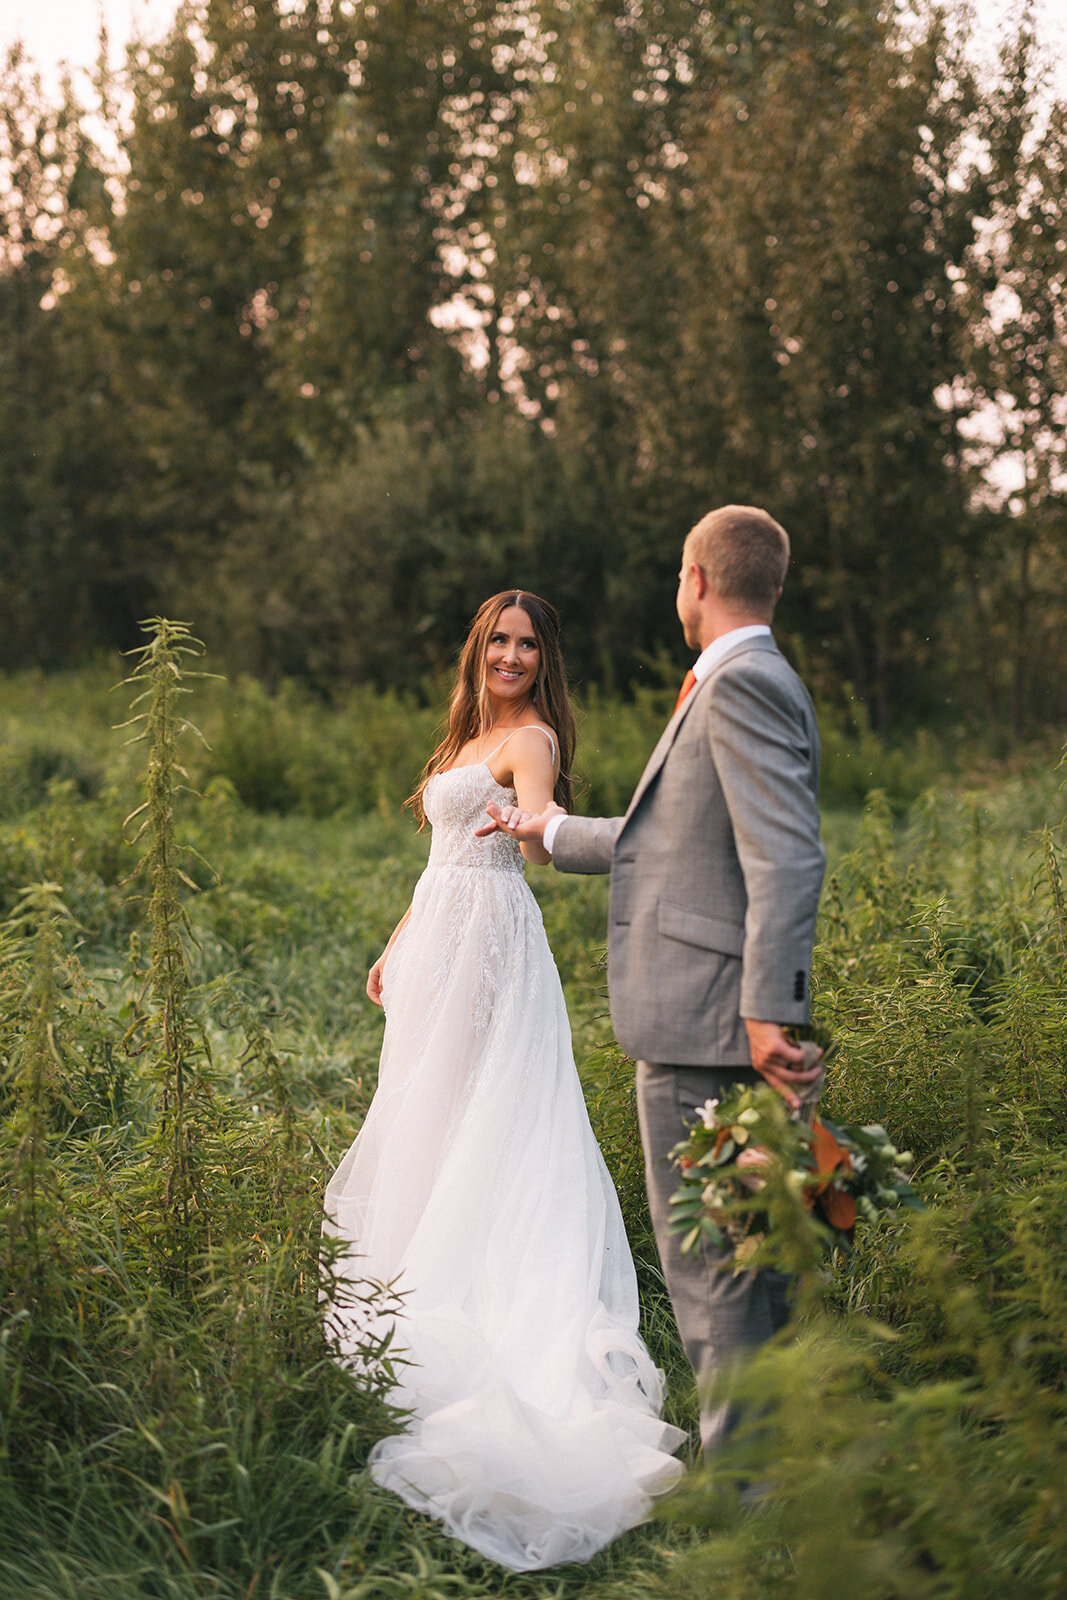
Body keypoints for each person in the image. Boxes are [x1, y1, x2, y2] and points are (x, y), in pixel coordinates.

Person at [323, 590, 685, 1572]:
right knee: (430, 1110)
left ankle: (481, 1293)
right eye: (499, 640)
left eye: (527, 644)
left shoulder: (528, 738)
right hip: (439, 936)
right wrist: (399, 943)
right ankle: (424, 1258)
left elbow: (537, 837)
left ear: (541, 659)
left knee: (485, 1110)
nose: (512, 655)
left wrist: (548, 823)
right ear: (477, 648)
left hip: (489, 941)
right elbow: (437, 854)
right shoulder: (464, 733)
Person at [479, 507, 826, 1458]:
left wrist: (766, 1011)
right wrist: (544, 831)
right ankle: (775, 1468)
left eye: (679, 577)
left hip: (706, 1027)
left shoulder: (741, 685)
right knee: (749, 1260)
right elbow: (663, 843)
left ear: (696, 581)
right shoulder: (746, 679)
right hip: (710, 1019)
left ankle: (746, 1498)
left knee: (712, 1271)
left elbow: (788, 860)